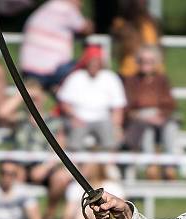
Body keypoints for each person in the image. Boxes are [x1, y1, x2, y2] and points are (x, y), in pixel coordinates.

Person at [0, 79, 72, 219]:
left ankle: (49, 216)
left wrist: (45, 167)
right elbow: (2, 113)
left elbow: (60, 149)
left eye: (36, 98)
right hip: (21, 167)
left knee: (61, 178)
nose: (34, 101)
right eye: (30, 98)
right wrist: (22, 94)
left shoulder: (54, 121)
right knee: (14, 173)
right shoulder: (20, 119)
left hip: (45, 167)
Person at [122, 45, 178, 180]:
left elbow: (169, 104)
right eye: (142, 61)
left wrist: (161, 116)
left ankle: (170, 166)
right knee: (146, 130)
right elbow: (128, 108)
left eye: (149, 61)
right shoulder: (131, 81)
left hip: (160, 117)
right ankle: (151, 166)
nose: (145, 64)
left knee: (171, 127)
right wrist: (145, 117)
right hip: (138, 119)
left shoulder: (162, 80)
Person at [57, 45, 127, 151]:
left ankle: (108, 164)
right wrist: (73, 117)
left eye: (97, 62)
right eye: (91, 61)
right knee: (75, 137)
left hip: (104, 119)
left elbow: (118, 107)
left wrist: (116, 126)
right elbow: (65, 103)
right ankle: (75, 163)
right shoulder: (75, 77)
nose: (94, 65)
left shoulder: (111, 78)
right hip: (78, 118)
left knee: (111, 138)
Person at [20, 0, 93, 92]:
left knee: (32, 97)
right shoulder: (67, 9)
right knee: (84, 73)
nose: (81, 4)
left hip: (29, 66)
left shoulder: (48, 6)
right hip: (53, 68)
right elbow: (86, 29)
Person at [110, 0, 162, 77]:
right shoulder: (121, 24)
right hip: (128, 73)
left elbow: (157, 47)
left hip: (152, 72)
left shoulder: (151, 23)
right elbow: (117, 49)